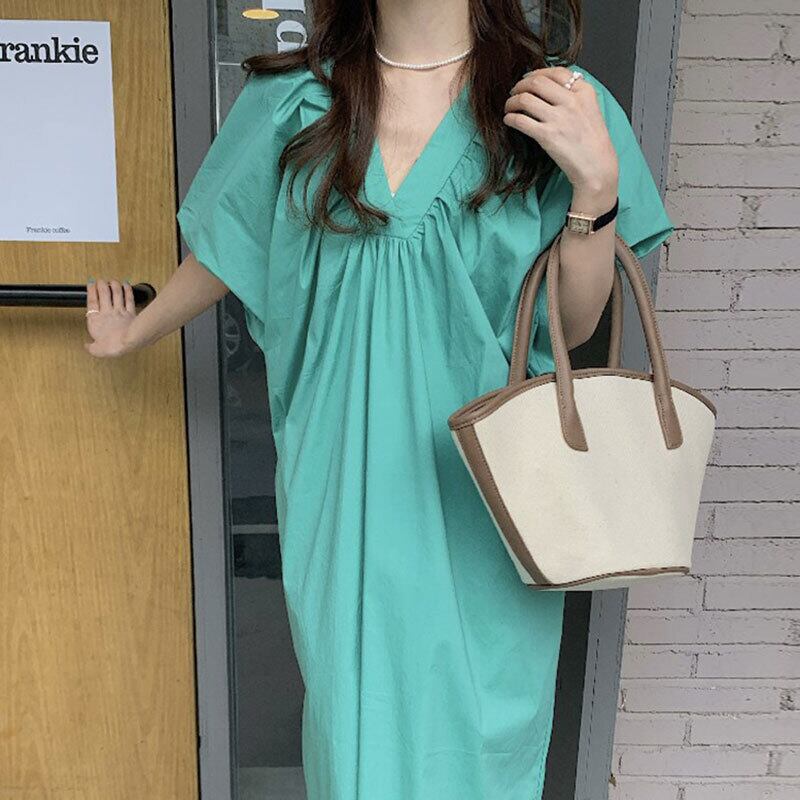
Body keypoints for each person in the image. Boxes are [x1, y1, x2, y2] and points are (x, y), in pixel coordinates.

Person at [83, 1, 673, 797]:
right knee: (356, 732)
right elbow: (232, 246)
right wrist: (137, 329)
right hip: (343, 486)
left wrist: (596, 188)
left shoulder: (557, 100)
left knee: (476, 740)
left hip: (490, 493)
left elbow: (574, 324)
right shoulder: (294, 101)